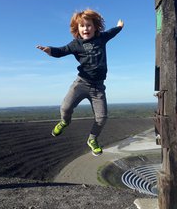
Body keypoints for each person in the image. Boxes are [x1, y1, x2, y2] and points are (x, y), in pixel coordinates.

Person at [36, 9, 124, 156]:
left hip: (98, 88)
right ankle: (64, 122)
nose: (85, 29)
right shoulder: (76, 44)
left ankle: (92, 139)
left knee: (102, 118)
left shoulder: (101, 38)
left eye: (88, 25)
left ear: (95, 26)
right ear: (77, 29)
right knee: (65, 108)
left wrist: (119, 27)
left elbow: (112, 32)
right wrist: (49, 50)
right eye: (82, 26)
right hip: (81, 83)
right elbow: (62, 50)